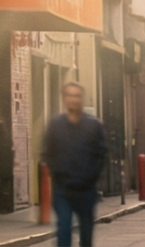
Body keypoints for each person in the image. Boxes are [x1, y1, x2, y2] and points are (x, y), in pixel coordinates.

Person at [39, 81, 107, 247]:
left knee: (86, 232)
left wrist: (92, 175)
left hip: (86, 189)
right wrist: (56, 173)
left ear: (82, 99)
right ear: (64, 98)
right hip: (63, 189)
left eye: (76, 96)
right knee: (63, 228)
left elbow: (102, 153)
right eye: (69, 95)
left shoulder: (93, 125)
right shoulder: (56, 125)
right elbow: (48, 152)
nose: (73, 99)